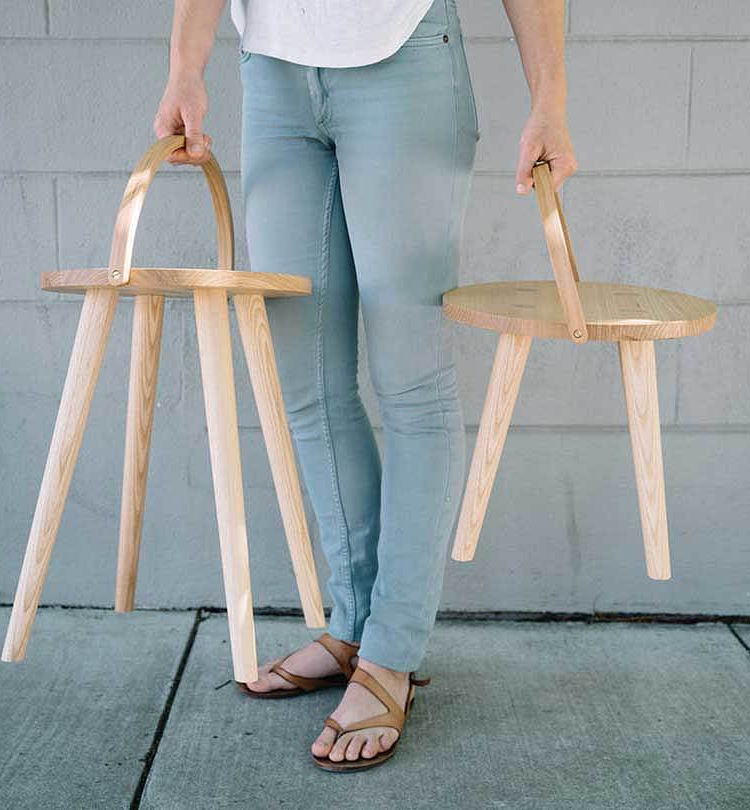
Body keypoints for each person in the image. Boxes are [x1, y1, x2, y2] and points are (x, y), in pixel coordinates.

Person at [154, 0, 577, 771]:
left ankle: (393, 651)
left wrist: (549, 97)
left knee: (411, 378)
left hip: (404, 56)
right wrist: (186, 67)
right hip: (274, 72)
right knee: (305, 382)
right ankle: (352, 626)